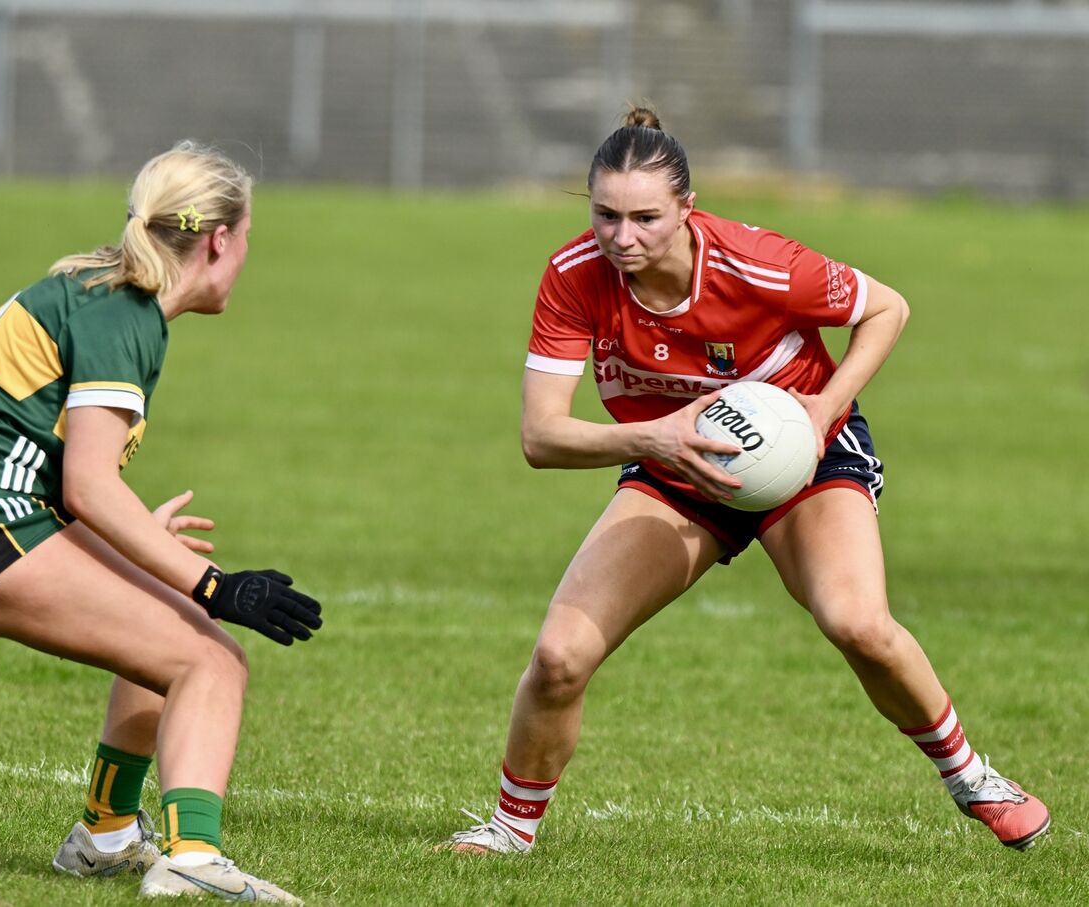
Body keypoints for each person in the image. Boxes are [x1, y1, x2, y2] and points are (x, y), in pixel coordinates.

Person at [438, 107, 1049, 855]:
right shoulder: (574, 277)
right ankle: (509, 830)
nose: (621, 238)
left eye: (645, 218)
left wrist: (823, 409)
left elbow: (888, 306)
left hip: (809, 457)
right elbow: (542, 435)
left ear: (687, 209)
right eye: (604, 215)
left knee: (856, 621)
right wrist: (654, 438)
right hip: (674, 463)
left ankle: (973, 778)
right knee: (561, 654)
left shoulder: (756, 262)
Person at [0, 141, 321, 902]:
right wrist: (218, 585)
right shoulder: (127, 312)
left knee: (167, 606)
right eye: (248, 234)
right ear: (220, 239)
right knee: (212, 661)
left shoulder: (98, 291)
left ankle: (106, 833)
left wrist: (159, 561)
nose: (247, 252)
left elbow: (55, 478)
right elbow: (88, 483)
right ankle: (193, 858)